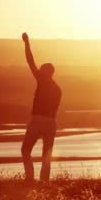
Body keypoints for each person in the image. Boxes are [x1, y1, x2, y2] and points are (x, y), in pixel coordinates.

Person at [20, 32, 62, 182]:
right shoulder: (58, 89)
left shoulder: (42, 80)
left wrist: (26, 43)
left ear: (46, 72)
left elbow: (30, 61)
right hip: (51, 122)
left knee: (25, 150)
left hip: (38, 120)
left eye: (42, 69)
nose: (39, 70)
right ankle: (44, 181)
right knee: (47, 154)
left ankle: (30, 178)